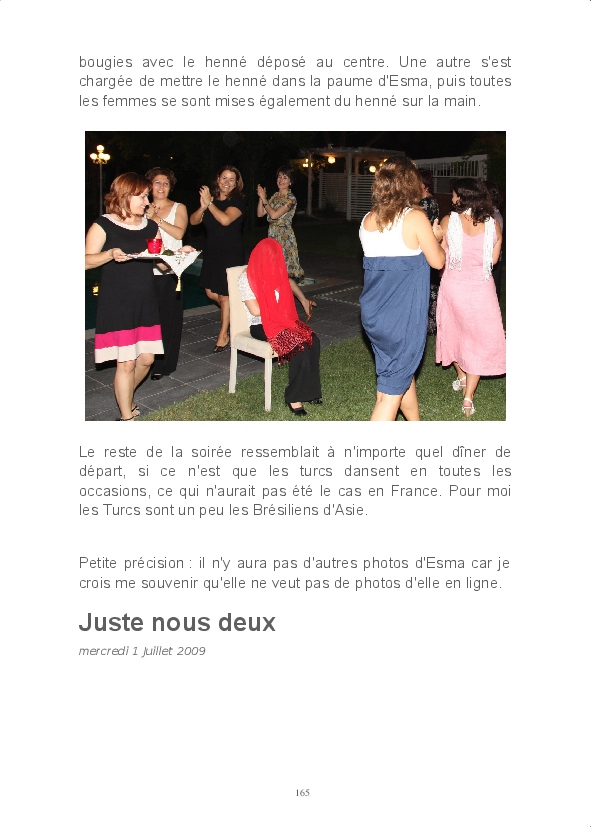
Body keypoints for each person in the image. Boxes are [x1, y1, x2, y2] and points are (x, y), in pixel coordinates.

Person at [359, 157, 446, 422]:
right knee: (388, 396)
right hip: (401, 318)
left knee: (397, 374)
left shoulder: (367, 220)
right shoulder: (415, 218)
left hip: (374, 315)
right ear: (410, 183)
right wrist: (437, 238)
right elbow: (438, 261)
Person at [85, 173, 163, 420]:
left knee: (147, 359)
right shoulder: (104, 224)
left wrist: (179, 255)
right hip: (117, 302)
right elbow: (85, 261)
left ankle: (125, 395)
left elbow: (161, 262)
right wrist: (109, 254)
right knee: (126, 363)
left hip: (145, 300)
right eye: (142, 197)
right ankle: (126, 417)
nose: (147, 202)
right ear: (125, 196)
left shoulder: (151, 227)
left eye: (147, 196)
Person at [436, 178, 505, 417]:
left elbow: (439, 258)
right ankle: (468, 397)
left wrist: (437, 237)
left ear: (462, 196)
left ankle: (462, 375)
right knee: (478, 338)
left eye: (454, 194)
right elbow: (493, 261)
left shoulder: (448, 221)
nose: (452, 198)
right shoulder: (494, 225)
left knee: (452, 331)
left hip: (454, 286)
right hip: (482, 290)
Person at [238, 238, 322, 416]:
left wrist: (303, 300)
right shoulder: (246, 278)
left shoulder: (273, 271)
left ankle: (310, 391)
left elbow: (288, 282)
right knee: (299, 346)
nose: (277, 261)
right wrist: (277, 309)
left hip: (281, 320)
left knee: (313, 340)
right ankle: (294, 397)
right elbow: (255, 310)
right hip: (261, 324)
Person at [189, 166, 245, 352]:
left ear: (236, 183)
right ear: (218, 179)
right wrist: (203, 206)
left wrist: (209, 204)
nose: (227, 182)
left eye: (231, 179)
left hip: (230, 253)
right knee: (210, 292)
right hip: (212, 252)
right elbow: (193, 221)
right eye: (224, 178)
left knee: (224, 295)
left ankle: (223, 335)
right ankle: (239, 312)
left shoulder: (237, 201)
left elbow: (225, 220)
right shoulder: (211, 201)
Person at [144, 167, 189, 379]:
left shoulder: (179, 207)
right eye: (157, 182)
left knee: (168, 319)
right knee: (147, 318)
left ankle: (164, 365)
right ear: (149, 186)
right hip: (145, 269)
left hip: (170, 269)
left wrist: (156, 218)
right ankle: (145, 360)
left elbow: (179, 233)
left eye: (166, 183)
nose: (161, 187)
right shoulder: (141, 206)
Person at [256, 165, 317, 321]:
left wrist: (264, 199)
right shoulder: (275, 196)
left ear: (291, 181)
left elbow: (274, 215)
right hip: (272, 237)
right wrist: (261, 197)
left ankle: (287, 306)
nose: (281, 180)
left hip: (283, 238)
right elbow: (260, 213)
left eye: (285, 177)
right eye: (279, 176)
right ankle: (303, 302)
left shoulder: (290, 198)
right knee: (278, 274)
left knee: (279, 274)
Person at [418, 168, 441, 335]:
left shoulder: (426, 203)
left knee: (429, 288)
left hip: (426, 246)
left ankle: (430, 325)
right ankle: (431, 324)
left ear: (424, 184)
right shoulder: (429, 200)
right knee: (430, 286)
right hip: (429, 245)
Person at [485, 181, 504, 297]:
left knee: (492, 292)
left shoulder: (494, 216)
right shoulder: (491, 212)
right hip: (490, 258)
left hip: (492, 258)